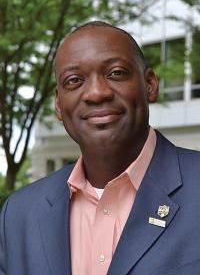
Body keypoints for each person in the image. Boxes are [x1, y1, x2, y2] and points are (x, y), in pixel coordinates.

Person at [1, 21, 200, 275]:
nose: (96, 93)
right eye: (74, 80)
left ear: (149, 84)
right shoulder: (19, 215)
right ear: (59, 104)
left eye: (116, 73)